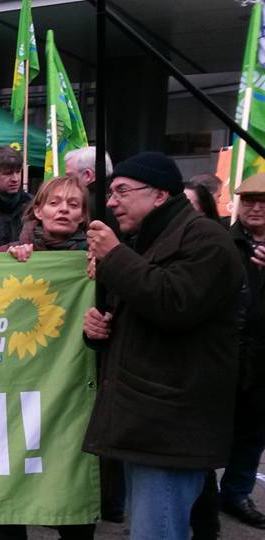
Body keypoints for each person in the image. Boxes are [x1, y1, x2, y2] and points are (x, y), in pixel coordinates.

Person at [82, 151, 244, 540]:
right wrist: (100, 328)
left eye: (122, 191)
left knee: (158, 531)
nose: (111, 201)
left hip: (171, 426)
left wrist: (116, 256)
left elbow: (175, 304)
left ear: (159, 195)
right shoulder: (150, 239)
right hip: (148, 421)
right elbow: (146, 312)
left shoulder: (208, 240)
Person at [0, 175, 95, 540]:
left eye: (73, 204)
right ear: (38, 210)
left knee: (72, 471)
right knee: (11, 472)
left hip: (72, 383)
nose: (63, 210)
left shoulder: (98, 255)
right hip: (17, 381)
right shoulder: (14, 252)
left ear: (83, 215)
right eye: (55, 203)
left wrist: (106, 268)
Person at [216, 173, 265, 530]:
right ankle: (201, 498)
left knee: (253, 433)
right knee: (209, 430)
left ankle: (236, 493)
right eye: (249, 200)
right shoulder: (221, 241)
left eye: (264, 202)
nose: (256, 208)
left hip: (262, 361)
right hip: (224, 353)